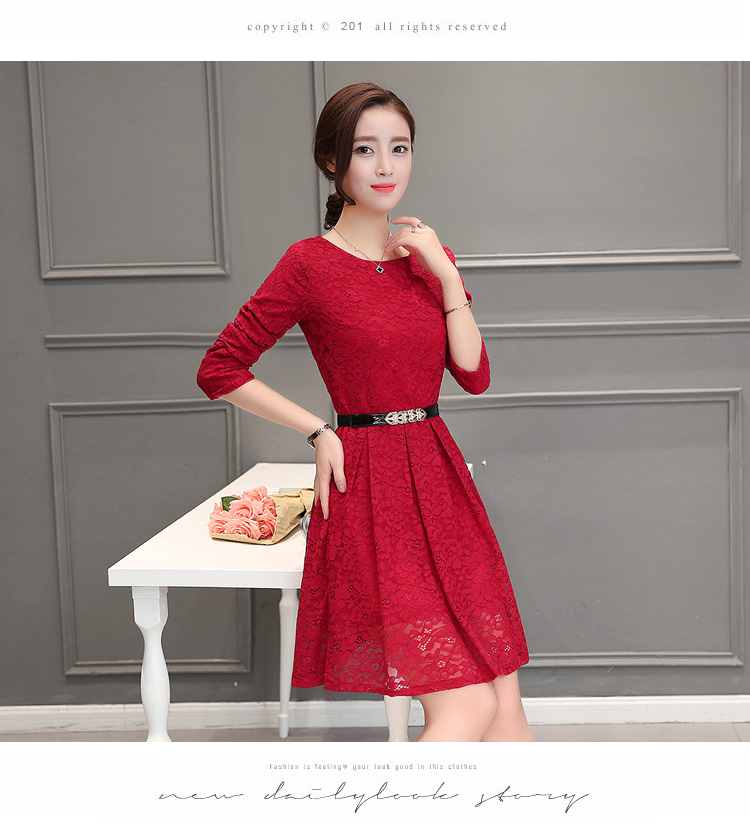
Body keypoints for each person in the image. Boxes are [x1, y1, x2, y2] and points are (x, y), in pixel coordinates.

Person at [197, 82, 533, 742]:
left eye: (399, 148)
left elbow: (474, 375)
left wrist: (444, 274)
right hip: (373, 488)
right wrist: (318, 430)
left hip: (440, 480)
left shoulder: (428, 258)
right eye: (365, 150)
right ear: (332, 161)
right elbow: (220, 368)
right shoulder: (309, 264)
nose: (386, 167)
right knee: (466, 706)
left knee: (508, 701)